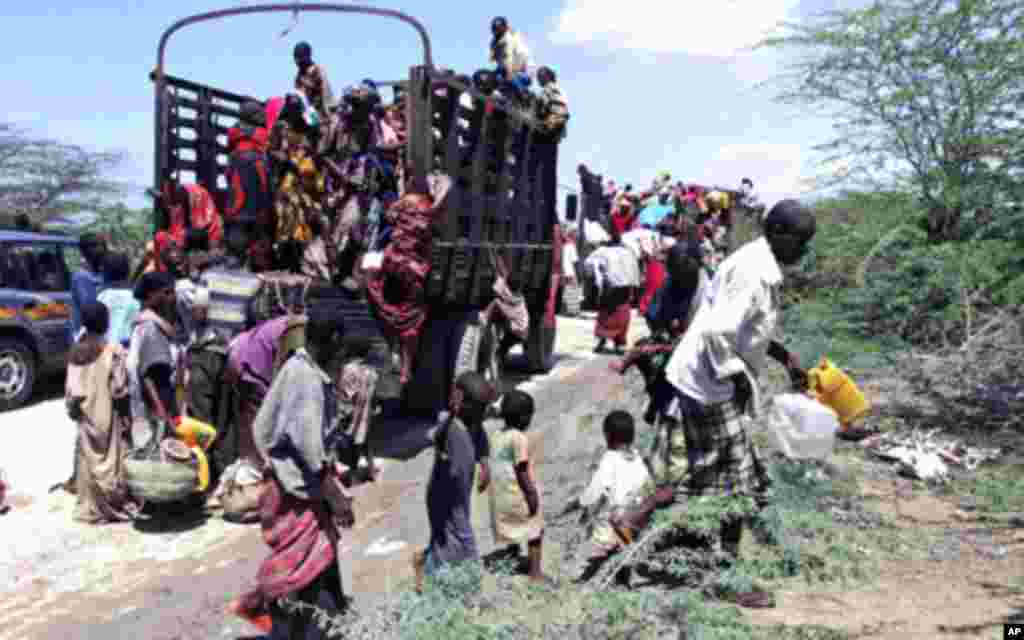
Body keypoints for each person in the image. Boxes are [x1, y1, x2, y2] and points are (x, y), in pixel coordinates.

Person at [655, 199, 815, 571]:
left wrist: (781, 354)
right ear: (777, 234)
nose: (804, 250)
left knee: (718, 472)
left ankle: (679, 539)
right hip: (710, 383)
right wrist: (737, 378)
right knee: (734, 480)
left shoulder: (760, 264)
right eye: (801, 241)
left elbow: (739, 326)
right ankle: (724, 572)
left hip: (705, 378)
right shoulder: (754, 271)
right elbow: (717, 332)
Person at [230, 315, 355, 637]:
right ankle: (285, 619)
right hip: (297, 490)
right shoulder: (306, 379)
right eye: (340, 347)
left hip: (298, 486)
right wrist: (337, 498)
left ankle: (323, 619)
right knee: (302, 569)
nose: (342, 354)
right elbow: (309, 449)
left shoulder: (303, 369)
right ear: (331, 343)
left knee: (320, 559)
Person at [413, 371, 496, 592]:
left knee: (448, 539)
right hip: (444, 497)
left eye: (484, 408)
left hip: (461, 495)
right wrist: (452, 411)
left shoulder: (474, 422)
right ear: (461, 401)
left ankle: (425, 564)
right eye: (478, 408)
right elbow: (437, 436)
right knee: (462, 539)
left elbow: (481, 440)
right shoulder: (449, 425)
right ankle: (467, 585)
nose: (483, 413)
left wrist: (485, 465)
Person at [65, 303, 141, 524]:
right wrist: (127, 417)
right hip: (109, 416)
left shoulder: (75, 351)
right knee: (113, 461)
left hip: (86, 418)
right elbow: (120, 390)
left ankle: (91, 506)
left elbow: (71, 394)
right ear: (106, 323)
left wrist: (75, 413)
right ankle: (112, 505)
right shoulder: (113, 351)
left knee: (88, 460)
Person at [570, 411, 651, 584]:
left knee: (601, 529)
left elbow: (595, 491)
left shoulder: (609, 459)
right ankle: (625, 568)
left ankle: (603, 571)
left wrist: (578, 503)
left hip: (617, 520)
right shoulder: (637, 457)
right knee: (625, 542)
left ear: (608, 435)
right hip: (639, 516)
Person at [487, 390, 552, 583]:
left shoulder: (497, 435)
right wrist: (531, 494)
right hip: (517, 494)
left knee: (512, 527)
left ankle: (512, 555)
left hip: (500, 497)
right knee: (535, 529)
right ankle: (535, 574)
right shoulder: (519, 439)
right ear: (524, 417)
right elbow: (521, 471)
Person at [222, 316, 297, 468]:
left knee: (253, 419)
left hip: (243, 350)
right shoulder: (294, 331)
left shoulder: (291, 326)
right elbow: (282, 371)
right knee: (255, 418)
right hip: (247, 360)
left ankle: (254, 462)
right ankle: (256, 465)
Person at [127, 271, 179, 450]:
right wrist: (162, 413)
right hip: (156, 411)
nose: (172, 297)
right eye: (167, 293)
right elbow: (148, 376)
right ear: (151, 295)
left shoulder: (154, 322)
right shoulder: (150, 328)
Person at [334, 333, 380, 481]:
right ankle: (372, 471)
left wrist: (338, 412)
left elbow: (345, 394)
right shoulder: (371, 371)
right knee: (366, 442)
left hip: (352, 415)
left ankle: (353, 478)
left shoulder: (348, 369)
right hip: (367, 416)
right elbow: (373, 395)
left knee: (352, 447)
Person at [585, 236, 640, 354]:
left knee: (606, 313)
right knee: (622, 313)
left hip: (609, 288)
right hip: (625, 288)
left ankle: (602, 340)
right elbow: (635, 269)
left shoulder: (602, 252)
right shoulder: (628, 252)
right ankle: (619, 343)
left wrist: (596, 277)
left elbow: (588, 265)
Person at [479, 249, 529, 364]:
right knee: (501, 350)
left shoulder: (507, 296)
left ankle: (497, 363)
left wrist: (493, 257)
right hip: (521, 331)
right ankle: (499, 360)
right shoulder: (519, 297)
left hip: (516, 332)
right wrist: (497, 256)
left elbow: (499, 274)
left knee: (499, 351)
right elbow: (503, 274)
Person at [97, 253, 140, 349]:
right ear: (128, 272)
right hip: (130, 347)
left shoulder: (103, 296)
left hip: (106, 348)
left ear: (106, 273)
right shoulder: (136, 297)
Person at [70, 233, 108, 342]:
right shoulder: (81, 277)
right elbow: (89, 310)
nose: (100, 251)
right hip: (87, 337)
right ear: (84, 252)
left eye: (102, 246)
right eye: (95, 246)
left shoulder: (103, 274)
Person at [489, 17, 532, 95]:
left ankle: (523, 94)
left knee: (506, 73)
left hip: (521, 70)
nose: (497, 32)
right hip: (509, 68)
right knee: (493, 77)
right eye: (495, 30)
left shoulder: (509, 38)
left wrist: (509, 72)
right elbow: (493, 59)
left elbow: (510, 57)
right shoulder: (495, 42)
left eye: (499, 29)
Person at [293, 41, 335, 121]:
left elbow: (326, 93)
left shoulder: (317, 70)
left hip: (321, 114)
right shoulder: (299, 76)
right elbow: (299, 94)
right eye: (296, 58)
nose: (297, 61)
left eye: (299, 58)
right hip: (305, 115)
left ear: (307, 56)